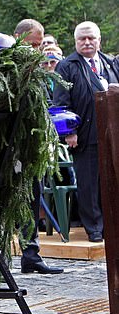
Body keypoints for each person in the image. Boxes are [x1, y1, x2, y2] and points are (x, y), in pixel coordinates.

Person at [53, 21, 118, 243]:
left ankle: (112, 224)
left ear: (99, 40)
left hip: (112, 134)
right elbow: (61, 103)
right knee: (89, 184)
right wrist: (69, 132)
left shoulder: (110, 63)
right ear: (75, 41)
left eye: (91, 38)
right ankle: (95, 228)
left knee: (111, 182)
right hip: (85, 133)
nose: (87, 42)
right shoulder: (67, 66)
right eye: (82, 38)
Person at [13, 19, 63, 274]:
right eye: (32, 44)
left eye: (39, 45)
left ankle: (31, 254)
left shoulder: (40, 72)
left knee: (33, 197)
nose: (35, 49)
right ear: (18, 39)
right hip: (13, 150)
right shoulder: (10, 70)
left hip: (35, 148)